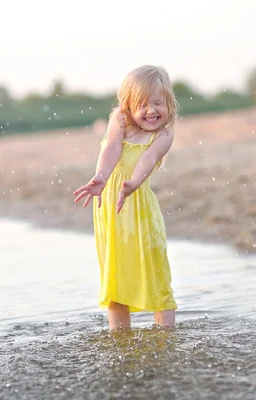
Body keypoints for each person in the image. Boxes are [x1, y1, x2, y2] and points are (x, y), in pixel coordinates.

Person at [73, 65, 178, 329]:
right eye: (142, 104)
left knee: (156, 272)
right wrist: (101, 177)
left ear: (169, 104)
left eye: (158, 103)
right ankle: (120, 340)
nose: (151, 110)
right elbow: (110, 147)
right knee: (116, 274)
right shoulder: (119, 119)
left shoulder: (164, 134)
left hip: (139, 205)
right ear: (128, 105)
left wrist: (134, 182)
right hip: (110, 207)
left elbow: (148, 158)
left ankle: (166, 336)